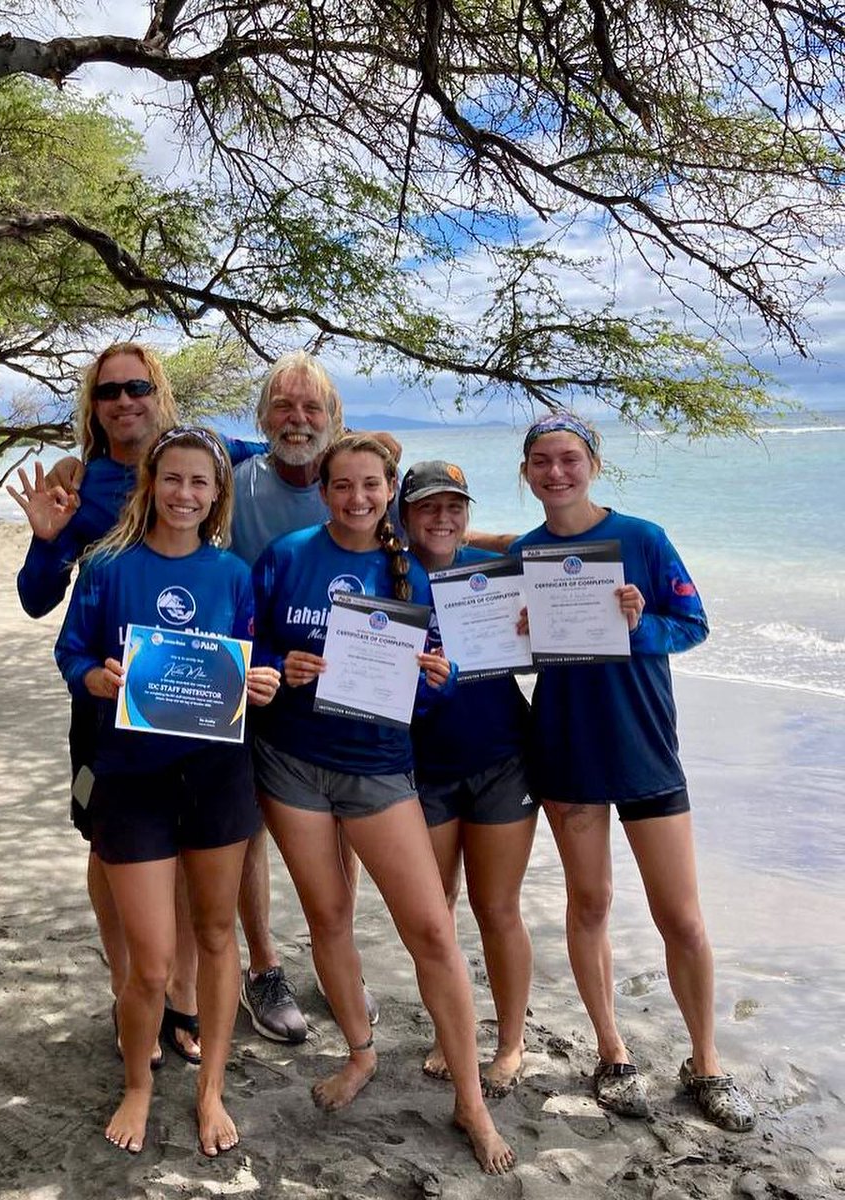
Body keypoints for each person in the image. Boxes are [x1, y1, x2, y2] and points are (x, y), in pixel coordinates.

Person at [250, 433, 515, 1175]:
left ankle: (470, 1097)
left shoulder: (411, 574)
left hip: (376, 770)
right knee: (327, 918)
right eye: (343, 486)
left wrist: (441, 679)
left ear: (389, 488)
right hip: (292, 765)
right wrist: (280, 665)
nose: (357, 499)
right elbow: (251, 645)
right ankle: (360, 1053)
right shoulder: (287, 556)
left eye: (372, 486)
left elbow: (437, 682)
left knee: (430, 929)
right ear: (324, 490)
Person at [11, 342, 264, 1066]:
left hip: (196, 705)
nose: (125, 401)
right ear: (94, 404)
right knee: (111, 846)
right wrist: (47, 541)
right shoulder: (77, 482)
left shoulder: (206, 451)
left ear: (160, 394)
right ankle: (132, 989)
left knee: (188, 856)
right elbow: (38, 602)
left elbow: (287, 448)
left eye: (138, 387)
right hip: (104, 709)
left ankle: (182, 997)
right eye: (110, 391)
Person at [510, 410, 755, 1132]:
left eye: (569, 459)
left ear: (594, 463)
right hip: (566, 750)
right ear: (525, 475)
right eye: (542, 462)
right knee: (589, 905)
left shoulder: (643, 539)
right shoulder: (525, 553)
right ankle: (612, 1052)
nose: (557, 472)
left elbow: (695, 624)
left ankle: (706, 1062)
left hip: (646, 748)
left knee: (681, 916)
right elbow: (505, 646)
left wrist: (641, 622)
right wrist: (518, 631)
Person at [54, 425, 281, 1156]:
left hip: (217, 775)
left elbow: (252, 659)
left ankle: (211, 1088)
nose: (185, 494)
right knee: (151, 964)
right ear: (151, 484)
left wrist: (262, 682)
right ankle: (138, 1085)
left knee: (217, 937)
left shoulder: (234, 575)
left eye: (200, 483)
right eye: (173, 479)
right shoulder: (107, 565)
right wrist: (94, 678)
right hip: (129, 777)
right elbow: (73, 650)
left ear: (218, 497)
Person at [230, 352, 390, 1041]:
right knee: (247, 833)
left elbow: (432, 540)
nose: (298, 420)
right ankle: (264, 967)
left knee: (343, 832)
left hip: (347, 690)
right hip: (248, 677)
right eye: (284, 407)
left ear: (335, 421)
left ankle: (336, 959)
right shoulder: (235, 479)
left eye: (312, 408)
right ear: (262, 417)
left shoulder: (356, 486)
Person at [400, 461, 537, 1098]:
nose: (443, 518)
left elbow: (561, 566)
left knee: (498, 907)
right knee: (439, 910)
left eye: (455, 506)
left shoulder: (496, 569)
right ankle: (447, 1030)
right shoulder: (388, 574)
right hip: (423, 768)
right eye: (429, 506)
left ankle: (510, 1041)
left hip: (503, 755)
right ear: (404, 515)